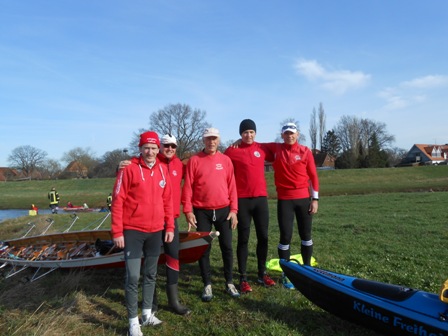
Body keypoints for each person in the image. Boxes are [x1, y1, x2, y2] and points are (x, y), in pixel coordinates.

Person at [111, 131, 175, 336]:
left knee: (151, 273)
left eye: (154, 148)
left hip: (155, 231)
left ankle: (146, 314)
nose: (150, 151)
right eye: (146, 147)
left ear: (159, 150)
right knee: (133, 276)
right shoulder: (129, 168)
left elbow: (168, 201)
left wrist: (170, 227)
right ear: (140, 149)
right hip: (133, 231)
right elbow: (118, 200)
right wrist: (117, 232)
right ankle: (132, 323)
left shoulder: (163, 170)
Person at [119, 133, 191, 315]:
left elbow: (201, 168)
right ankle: (151, 303)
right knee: (151, 262)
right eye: (166, 146)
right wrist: (118, 166)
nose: (169, 149)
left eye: (173, 146)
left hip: (170, 218)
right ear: (160, 147)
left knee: (172, 257)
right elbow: (132, 169)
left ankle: (173, 301)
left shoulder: (179, 165)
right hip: (148, 222)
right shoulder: (151, 161)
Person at [182, 127, 240, 302]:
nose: (211, 142)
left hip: (224, 211)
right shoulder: (194, 160)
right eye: (208, 139)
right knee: (204, 249)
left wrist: (234, 210)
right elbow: (188, 187)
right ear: (203, 140)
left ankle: (229, 282)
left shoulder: (226, 160)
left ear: (218, 140)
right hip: (202, 211)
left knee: (227, 247)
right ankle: (207, 284)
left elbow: (232, 186)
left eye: (214, 139)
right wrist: (188, 210)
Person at [262, 122, 319, 289]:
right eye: (286, 133)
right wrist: (239, 140)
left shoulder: (305, 151)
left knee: (306, 235)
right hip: (285, 200)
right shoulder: (276, 148)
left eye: (292, 133)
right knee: (285, 236)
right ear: (282, 135)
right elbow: (255, 145)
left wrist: (315, 200)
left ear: (297, 134)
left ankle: (307, 269)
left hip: (303, 199)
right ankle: (286, 273)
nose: (289, 136)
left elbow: (314, 176)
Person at [224, 119, 276, 294]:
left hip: (260, 199)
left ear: (255, 133)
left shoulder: (262, 148)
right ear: (240, 134)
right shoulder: (232, 151)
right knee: (243, 239)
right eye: (245, 132)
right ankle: (243, 278)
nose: (249, 135)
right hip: (242, 200)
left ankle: (262, 274)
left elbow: (281, 147)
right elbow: (221, 163)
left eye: (251, 132)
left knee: (263, 237)